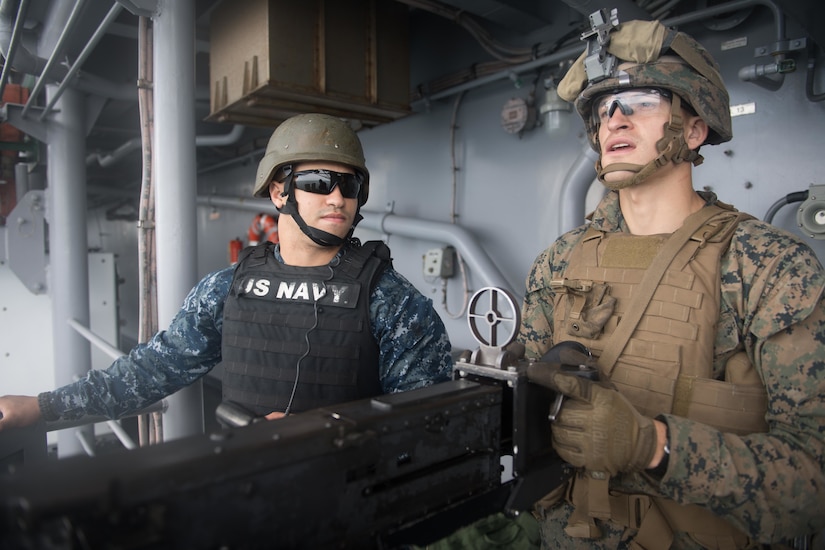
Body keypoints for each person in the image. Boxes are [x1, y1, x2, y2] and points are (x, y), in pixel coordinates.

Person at [519, 15, 825, 550]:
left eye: (640, 103)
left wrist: (655, 446)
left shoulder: (767, 267)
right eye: (602, 110)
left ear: (694, 128)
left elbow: (813, 482)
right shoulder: (558, 262)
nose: (614, 121)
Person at [0, 113, 453, 430]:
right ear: (280, 191)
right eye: (318, 182)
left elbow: (433, 421)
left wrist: (329, 432)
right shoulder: (226, 289)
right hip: (249, 494)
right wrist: (42, 408)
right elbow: (150, 372)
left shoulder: (390, 300)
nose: (337, 198)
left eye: (350, 185)